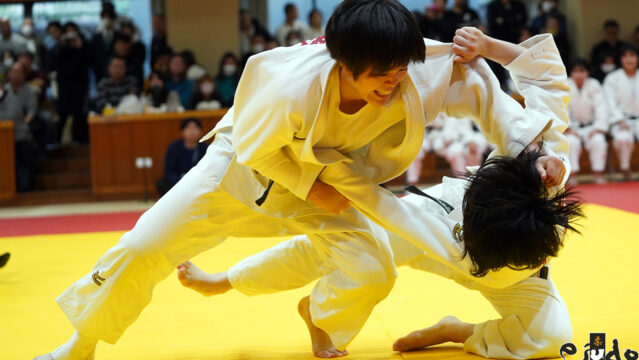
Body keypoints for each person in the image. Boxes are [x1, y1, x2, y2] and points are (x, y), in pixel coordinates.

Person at [35, 1, 569, 359]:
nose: (393, 84)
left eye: (399, 72)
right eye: (380, 76)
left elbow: (486, 93)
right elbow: (256, 149)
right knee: (144, 244)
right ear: (343, 63)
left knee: (373, 268)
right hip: (242, 175)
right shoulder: (288, 87)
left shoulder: (418, 66)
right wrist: (314, 190)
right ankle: (80, 343)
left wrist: (532, 150)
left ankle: (319, 316)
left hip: (338, 183)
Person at [177, 148, 581, 359]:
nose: (548, 259)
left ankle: (454, 330)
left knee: (553, 338)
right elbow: (368, 209)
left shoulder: (541, 214)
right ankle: (227, 283)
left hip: (506, 271)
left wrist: (556, 160)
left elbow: (550, 133)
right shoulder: (440, 213)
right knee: (341, 249)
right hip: (437, 231)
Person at [565, 59, 609, 184]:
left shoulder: (594, 84)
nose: (578, 74)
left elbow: (601, 107)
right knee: (570, 142)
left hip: (592, 127)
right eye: (575, 71)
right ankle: (573, 176)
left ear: (587, 72)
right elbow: (562, 109)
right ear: (571, 73)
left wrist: (597, 128)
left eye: (582, 71)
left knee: (598, 140)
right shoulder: (566, 85)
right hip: (573, 128)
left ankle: (597, 174)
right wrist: (568, 128)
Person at [602, 44, 639, 181]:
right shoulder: (612, 78)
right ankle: (625, 168)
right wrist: (619, 119)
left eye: (632, 55)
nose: (629, 59)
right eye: (625, 56)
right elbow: (609, 102)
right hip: (621, 119)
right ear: (620, 59)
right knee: (623, 138)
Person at [0, 62, 38, 191]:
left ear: (24, 75)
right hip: (3, 134)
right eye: (13, 71)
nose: (15, 75)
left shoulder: (29, 90)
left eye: (19, 72)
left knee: (24, 163)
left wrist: (24, 124)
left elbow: (31, 111)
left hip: (21, 130)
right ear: (9, 74)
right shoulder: (3, 90)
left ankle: (25, 189)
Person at [51, 22, 90, 144]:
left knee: (78, 114)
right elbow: (53, 62)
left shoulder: (83, 45)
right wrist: (62, 44)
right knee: (62, 113)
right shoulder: (60, 47)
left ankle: (78, 140)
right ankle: (56, 141)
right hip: (64, 86)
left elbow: (88, 62)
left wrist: (79, 46)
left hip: (79, 85)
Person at [155, 118, 209, 196]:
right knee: (162, 184)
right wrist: (182, 181)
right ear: (182, 132)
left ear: (201, 131)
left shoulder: (205, 147)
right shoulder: (174, 147)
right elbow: (169, 171)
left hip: (198, 180)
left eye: (195, 128)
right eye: (188, 128)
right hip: (179, 180)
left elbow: (208, 169)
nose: (192, 131)